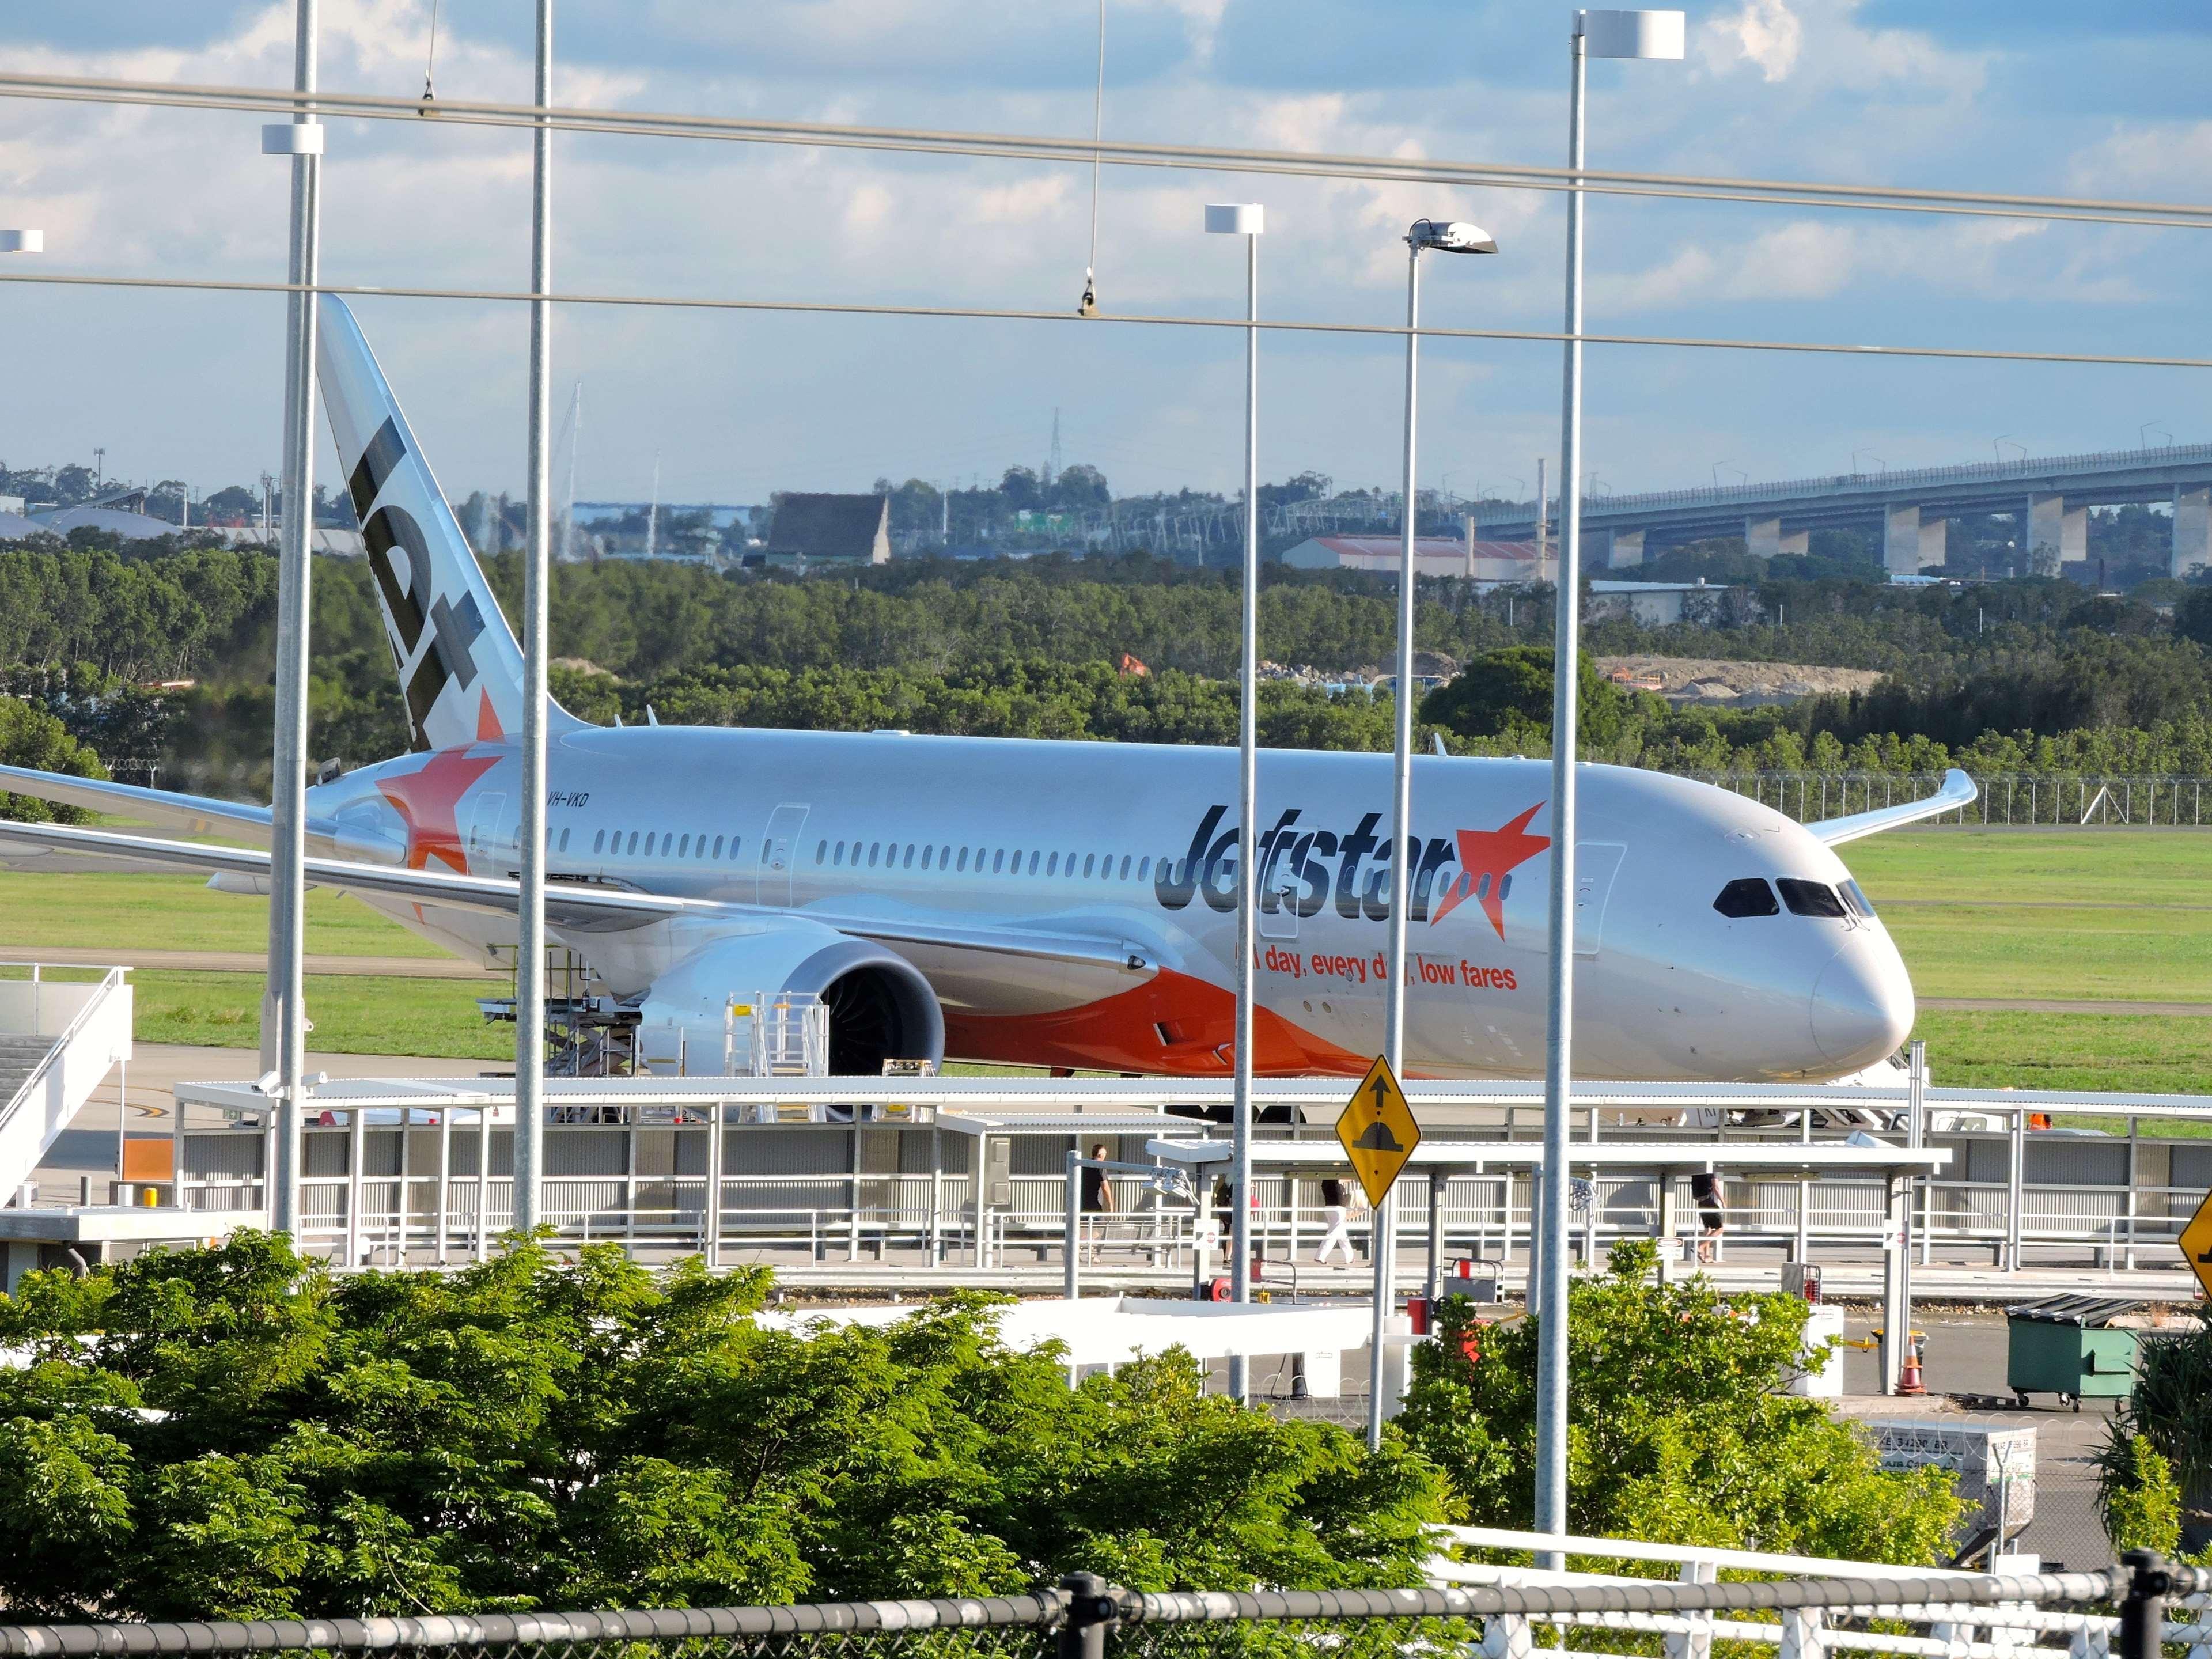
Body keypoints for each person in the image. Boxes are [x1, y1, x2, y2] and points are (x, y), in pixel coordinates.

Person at [1079, 1142, 1115, 1263]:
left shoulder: (1084, 1166)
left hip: (1081, 1203)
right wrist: (1110, 1204)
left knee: (1085, 1228)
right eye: (1105, 1154)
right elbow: (1105, 1187)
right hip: (1094, 1204)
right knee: (1100, 1228)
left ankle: (1089, 1253)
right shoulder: (1100, 1167)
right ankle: (1082, 1248)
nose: (1105, 1156)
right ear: (1100, 1155)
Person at [1314, 1176, 1355, 1266]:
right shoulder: (1335, 1180)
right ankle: (1320, 1257)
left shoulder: (1325, 1182)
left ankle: (1350, 1257)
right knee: (1333, 1234)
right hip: (1338, 1209)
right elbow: (1346, 1179)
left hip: (1329, 1208)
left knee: (1342, 1235)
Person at [1690, 1169, 1726, 1263]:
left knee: (1708, 1229)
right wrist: (1723, 1202)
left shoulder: (1698, 1172)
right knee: (1720, 1229)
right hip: (1710, 1202)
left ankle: (1707, 1256)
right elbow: (1715, 1187)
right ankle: (1700, 1246)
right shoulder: (1712, 1171)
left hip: (1701, 1202)